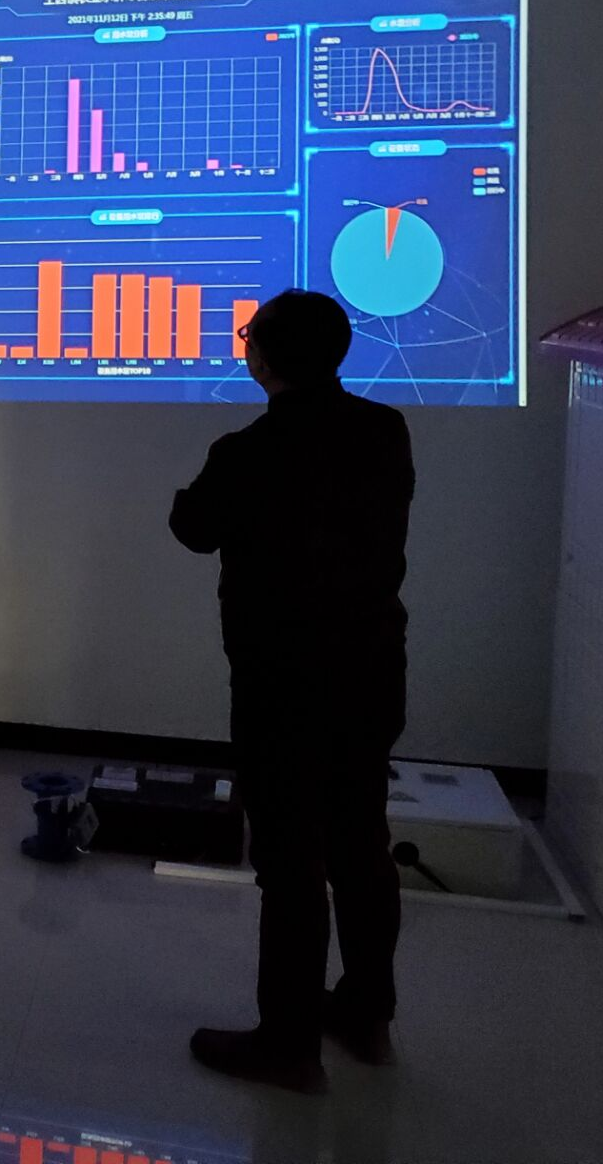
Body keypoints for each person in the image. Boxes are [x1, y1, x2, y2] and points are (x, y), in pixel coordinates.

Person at [168, 289, 414, 1094]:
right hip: (371, 671)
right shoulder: (385, 430)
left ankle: (288, 1044)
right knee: (361, 845)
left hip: (281, 682)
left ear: (262, 358)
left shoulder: (248, 451)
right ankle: (367, 1015)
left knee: (290, 860)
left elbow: (192, 527)